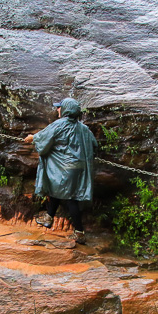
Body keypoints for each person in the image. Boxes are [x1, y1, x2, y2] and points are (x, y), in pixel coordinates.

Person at [23, 97, 97, 244]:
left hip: (65, 168)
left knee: (71, 198)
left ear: (66, 110)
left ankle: (79, 233)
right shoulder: (83, 128)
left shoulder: (60, 124)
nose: (57, 109)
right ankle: (49, 218)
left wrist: (32, 138)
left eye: (59, 107)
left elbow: (43, 138)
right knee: (57, 188)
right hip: (78, 168)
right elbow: (94, 145)